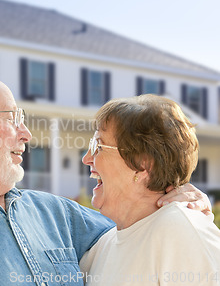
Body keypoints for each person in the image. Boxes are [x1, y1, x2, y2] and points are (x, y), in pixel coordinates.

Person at [0, 72, 210, 286]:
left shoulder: (57, 214)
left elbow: (138, 229)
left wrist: (178, 196)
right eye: (12, 117)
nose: (26, 133)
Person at [79, 94, 220, 285]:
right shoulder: (101, 247)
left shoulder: (180, 230)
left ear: (143, 163)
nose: (86, 158)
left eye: (98, 146)